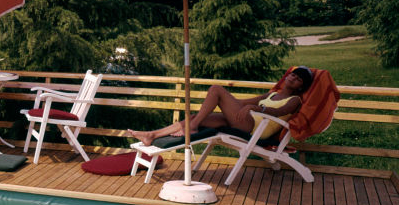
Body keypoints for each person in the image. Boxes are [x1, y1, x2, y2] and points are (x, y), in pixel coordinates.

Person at [128, 66, 314, 147]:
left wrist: (256, 109)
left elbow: (278, 112)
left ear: (300, 86)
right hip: (244, 119)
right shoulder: (272, 94)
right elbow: (243, 104)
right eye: (293, 75)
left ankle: (192, 128)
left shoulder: (295, 100)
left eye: (299, 79)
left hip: (256, 128)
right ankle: (152, 135)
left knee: (216, 89)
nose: (294, 78)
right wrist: (228, 104)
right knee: (195, 117)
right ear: (287, 76)